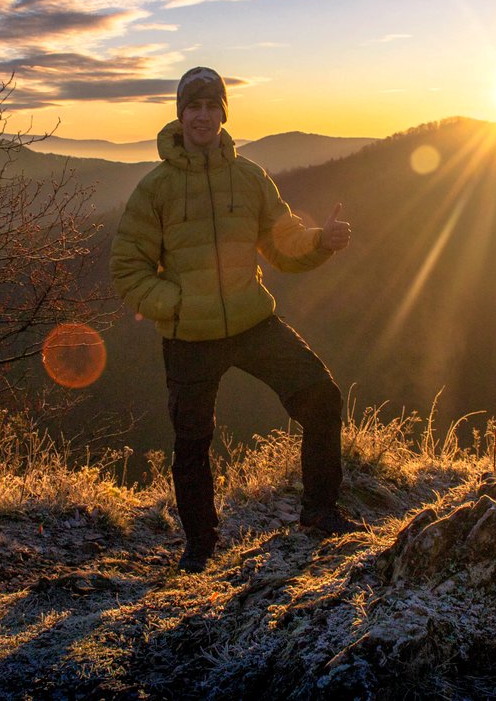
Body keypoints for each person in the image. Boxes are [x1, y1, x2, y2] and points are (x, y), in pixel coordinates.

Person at [110, 66, 360, 574]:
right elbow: (128, 268)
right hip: (189, 335)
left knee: (320, 396)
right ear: (180, 114)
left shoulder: (249, 178)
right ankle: (200, 547)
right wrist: (175, 304)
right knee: (192, 441)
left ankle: (319, 513)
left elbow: (283, 242)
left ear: (224, 113)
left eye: (211, 106)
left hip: (251, 321)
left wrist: (318, 242)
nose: (202, 116)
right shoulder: (155, 188)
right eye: (193, 106)